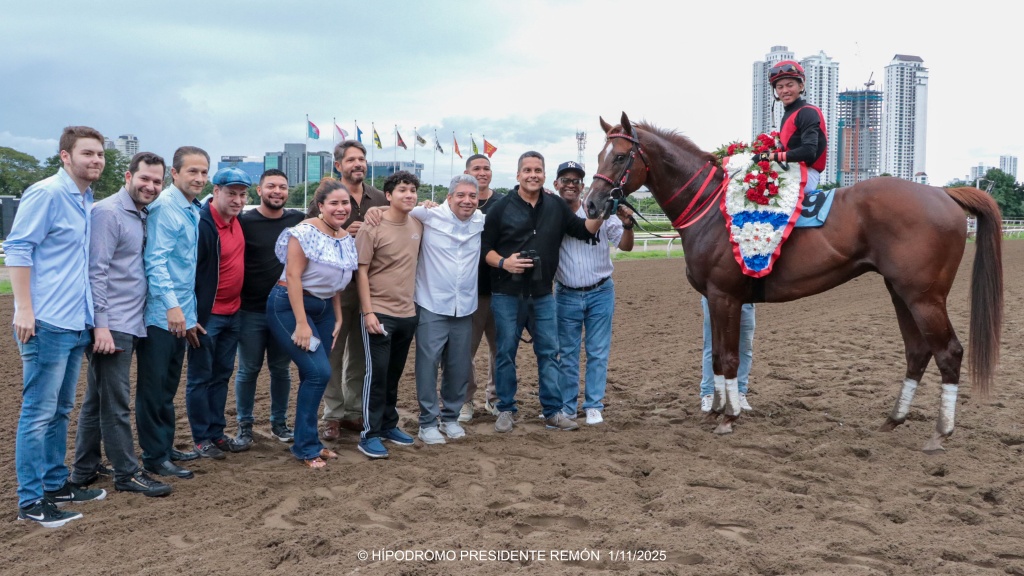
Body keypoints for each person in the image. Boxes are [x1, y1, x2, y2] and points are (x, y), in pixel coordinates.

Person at [5, 126, 109, 527]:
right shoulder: (47, 193)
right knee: (37, 414)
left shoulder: (85, 198)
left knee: (61, 410)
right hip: (45, 322)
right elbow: (18, 248)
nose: (95, 160)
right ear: (65, 156)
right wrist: (24, 309)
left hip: (74, 321)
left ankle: (55, 484)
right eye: (87, 153)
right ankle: (32, 502)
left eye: (99, 154)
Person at [69, 152, 173, 498]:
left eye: (157, 181)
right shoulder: (108, 213)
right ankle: (127, 473)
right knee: (116, 402)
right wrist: (101, 326)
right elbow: (96, 271)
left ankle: (84, 469)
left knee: (97, 398)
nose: (151, 186)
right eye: (145, 178)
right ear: (128, 176)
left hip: (130, 320)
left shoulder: (140, 214)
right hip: (112, 324)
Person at [480, 151, 602, 434]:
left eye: (537, 170)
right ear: (518, 174)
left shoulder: (556, 206)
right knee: (505, 353)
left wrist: (604, 210)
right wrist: (505, 262)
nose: (533, 175)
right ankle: (506, 409)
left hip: (543, 295)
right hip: (506, 294)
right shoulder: (500, 208)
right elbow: (484, 248)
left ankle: (553, 412)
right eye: (527, 170)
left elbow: (584, 230)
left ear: (545, 175)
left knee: (549, 354)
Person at [267, 179, 358, 469]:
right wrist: (301, 324)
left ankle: (309, 441)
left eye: (345, 203)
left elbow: (336, 279)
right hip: (289, 306)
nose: (341, 208)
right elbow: (294, 276)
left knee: (313, 375)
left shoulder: (344, 236)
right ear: (321, 206)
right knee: (319, 373)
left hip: (324, 308)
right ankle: (305, 447)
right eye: (334, 203)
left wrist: (339, 315)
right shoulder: (304, 232)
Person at [136, 146, 209, 481]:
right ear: (174, 174)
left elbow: (184, 270)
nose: (199, 178)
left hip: (179, 314)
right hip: (161, 315)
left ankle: (163, 447)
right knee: (154, 390)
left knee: (167, 388)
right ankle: (154, 457)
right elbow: (156, 262)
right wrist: (173, 308)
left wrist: (187, 315)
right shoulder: (166, 207)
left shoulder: (191, 208)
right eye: (192, 171)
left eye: (204, 172)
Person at [554, 161, 634, 426]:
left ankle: (593, 405)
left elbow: (625, 246)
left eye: (576, 181)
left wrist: (628, 226)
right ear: (556, 184)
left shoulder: (601, 211)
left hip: (600, 291)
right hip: (566, 293)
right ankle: (567, 406)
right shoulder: (551, 214)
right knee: (567, 353)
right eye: (566, 180)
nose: (571, 185)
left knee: (597, 351)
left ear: (583, 186)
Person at [233, 169, 305, 447]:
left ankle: (279, 423)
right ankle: (244, 425)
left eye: (283, 187)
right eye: (271, 186)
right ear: (259, 190)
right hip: (250, 309)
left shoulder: (298, 220)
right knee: (248, 370)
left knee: (281, 369)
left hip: (283, 310)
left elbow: (333, 214)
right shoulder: (243, 221)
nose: (277, 191)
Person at [322, 140, 389, 440]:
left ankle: (352, 411)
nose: (358, 164)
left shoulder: (379, 197)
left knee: (361, 355)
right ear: (338, 165)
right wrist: (339, 232)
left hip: (370, 287)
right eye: (351, 160)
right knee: (333, 354)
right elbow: (311, 234)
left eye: (361, 159)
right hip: (336, 288)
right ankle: (332, 414)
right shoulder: (327, 196)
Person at [411, 175, 484, 444]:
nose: (467, 201)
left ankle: (450, 417)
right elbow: (398, 208)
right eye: (461, 195)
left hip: (464, 307)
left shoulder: (480, 220)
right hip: (432, 304)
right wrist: (376, 211)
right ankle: (427, 422)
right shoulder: (428, 214)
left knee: (458, 366)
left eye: (472, 196)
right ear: (449, 197)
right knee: (427, 365)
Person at [355, 171, 423, 459]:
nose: (409, 195)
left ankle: (388, 425)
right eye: (402, 190)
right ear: (388, 195)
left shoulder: (417, 224)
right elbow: (361, 271)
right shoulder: (372, 226)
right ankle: (369, 434)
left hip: (408, 312)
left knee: (394, 374)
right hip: (379, 312)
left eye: (413, 190)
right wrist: (368, 312)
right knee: (377, 375)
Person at [186, 167, 251, 459]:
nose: (238, 200)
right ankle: (201, 438)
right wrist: (193, 314)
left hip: (233, 313)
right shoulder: (201, 224)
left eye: (242, 194)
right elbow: (189, 272)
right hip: (207, 316)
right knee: (200, 377)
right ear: (216, 191)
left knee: (222, 375)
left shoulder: (238, 221)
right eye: (231, 193)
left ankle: (217, 432)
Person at [460, 154, 503, 422]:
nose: (482, 172)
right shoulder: (458, 202)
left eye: (486, 168)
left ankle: (495, 398)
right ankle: (465, 400)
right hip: (469, 290)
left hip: (500, 289)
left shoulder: (505, 202)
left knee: (501, 349)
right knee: (465, 351)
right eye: (476, 168)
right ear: (467, 172)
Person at [756, 60, 829, 193]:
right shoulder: (789, 113)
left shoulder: (807, 112)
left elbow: (809, 150)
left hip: (806, 174)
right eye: (780, 87)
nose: (785, 90)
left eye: (790, 85)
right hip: (792, 170)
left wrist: (769, 156)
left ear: (801, 86)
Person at [699, 297, 755, 412]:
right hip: (717, 299)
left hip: (745, 299)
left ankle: (740, 391)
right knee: (713, 344)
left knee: (745, 347)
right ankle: (708, 393)